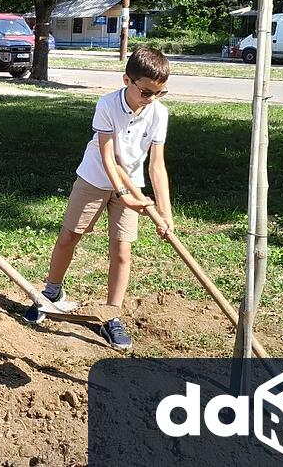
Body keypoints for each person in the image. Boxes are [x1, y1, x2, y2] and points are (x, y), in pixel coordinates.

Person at [23, 46, 174, 351]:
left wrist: (165, 212)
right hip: (95, 178)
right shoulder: (107, 104)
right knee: (70, 236)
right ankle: (51, 292)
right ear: (127, 80)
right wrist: (122, 194)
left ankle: (112, 316)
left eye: (160, 93)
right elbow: (107, 157)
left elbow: (156, 165)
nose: (152, 100)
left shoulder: (158, 113)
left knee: (122, 251)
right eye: (146, 92)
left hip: (132, 185)